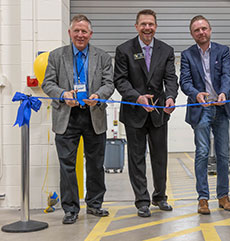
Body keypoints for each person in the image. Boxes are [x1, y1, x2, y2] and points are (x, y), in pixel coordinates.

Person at [42, 14, 114, 224]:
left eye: (84, 31)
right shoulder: (56, 56)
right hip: (67, 115)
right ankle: (70, 209)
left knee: (95, 164)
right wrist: (63, 94)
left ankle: (94, 204)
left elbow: (109, 84)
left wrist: (98, 95)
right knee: (67, 165)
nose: (80, 35)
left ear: (90, 34)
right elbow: (47, 84)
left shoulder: (102, 56)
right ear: (69, 33)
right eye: (77, 31)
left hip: (94, 115)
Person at [113, 9, 179, 218]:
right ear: (136, 27)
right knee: (136, 158)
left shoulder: (166, 50)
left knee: (160, 158)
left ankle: (160, 197)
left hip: (159, 112)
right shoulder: (124, 50)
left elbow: (170, 78)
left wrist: (170, 98)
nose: (147, 28)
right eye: (143, 24)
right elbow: (120, 80)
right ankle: (142, 201)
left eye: (151, 24)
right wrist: (137, 97)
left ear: (156, 26)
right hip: (134, 112)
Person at [180, 15, 230, 215]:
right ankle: (203, 199)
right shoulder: (187, 55)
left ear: (210, 30)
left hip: (221, 107)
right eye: (197, 30)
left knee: (223, 154)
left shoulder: (222, 50)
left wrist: (224, 91)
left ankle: (223, 196)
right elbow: (185, 81)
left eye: (204, 28)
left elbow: (228, 74)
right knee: (203, 153)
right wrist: (196, 94)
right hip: (201, 108)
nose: (201, 32)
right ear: (192, 34)